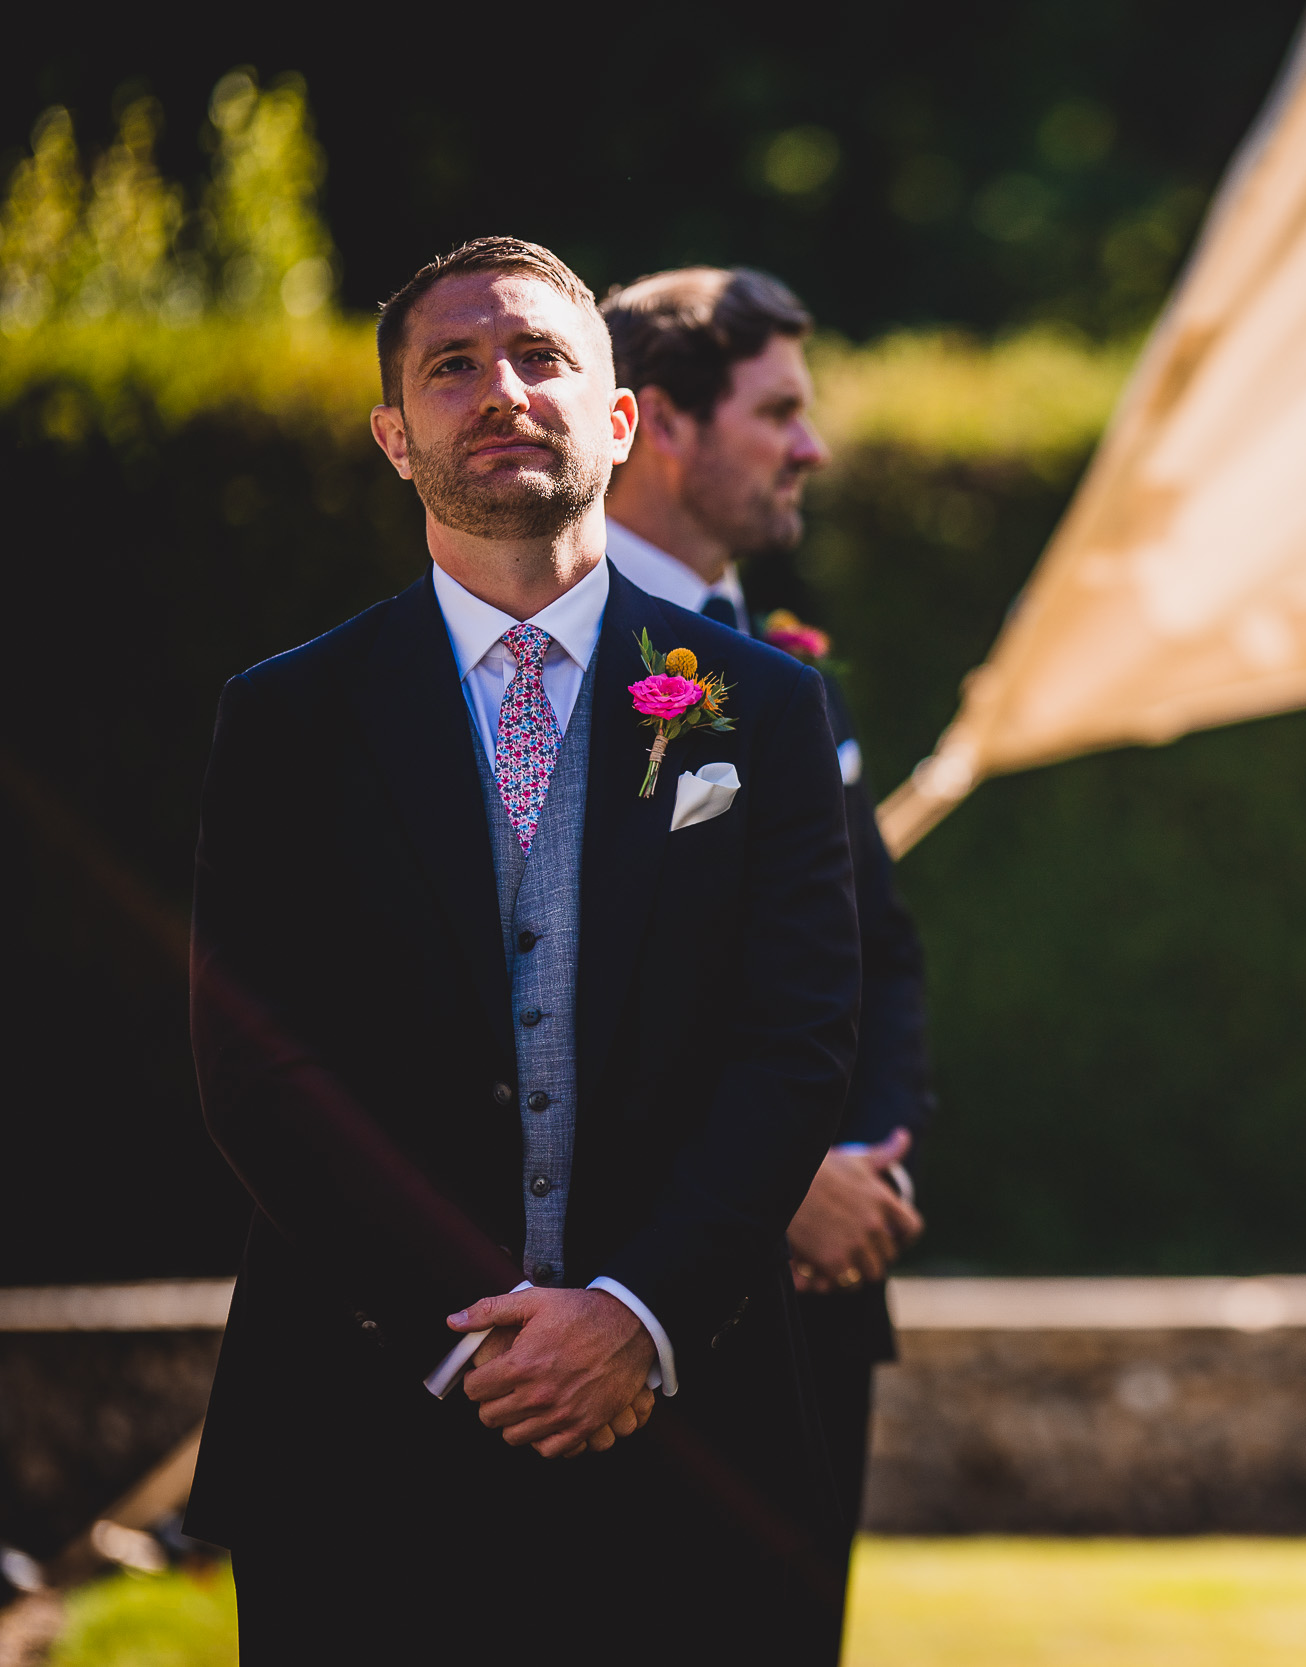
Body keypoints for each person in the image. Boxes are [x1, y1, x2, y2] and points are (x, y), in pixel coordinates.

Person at [186, 237, 860, 1661]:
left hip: (699, 1425)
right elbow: (260, 1062)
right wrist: (472, 1334)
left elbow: (796, 1043)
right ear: (395, 434)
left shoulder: (764, 710)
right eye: (452, 366)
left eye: (542, 356)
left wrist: (636, 1311)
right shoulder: (287, 716)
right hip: (360, 1424)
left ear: (619, 420)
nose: (502, 391)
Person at [601, 265, 933, 1646]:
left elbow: (878, 958)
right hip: (646, 1303)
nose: (814, 444)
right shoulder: (572, 661)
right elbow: (600, 987)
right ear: (662, 423)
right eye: (779, 410)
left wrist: (869, 1164)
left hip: (820, 1305)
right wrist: (771, 1185)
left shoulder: (795, 674)